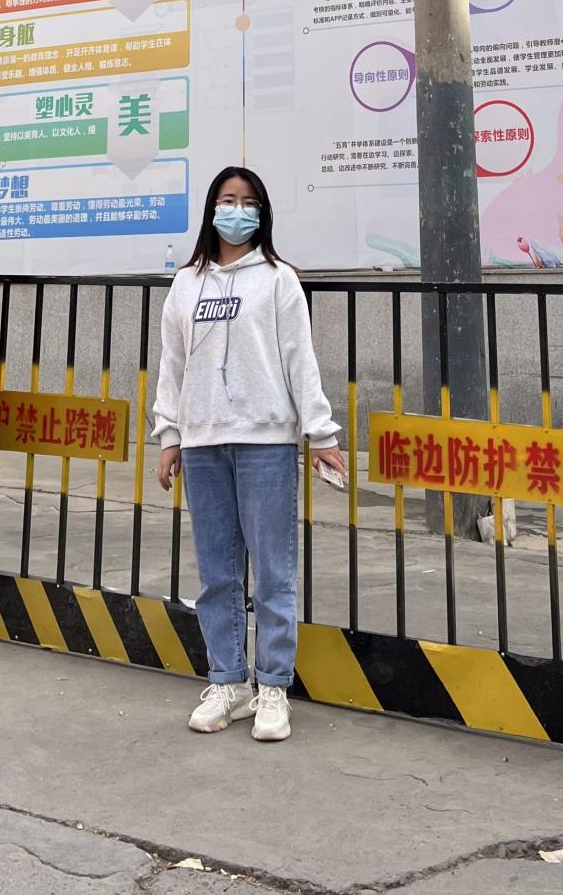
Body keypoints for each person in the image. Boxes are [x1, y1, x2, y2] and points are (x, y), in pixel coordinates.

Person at [154, 166, 345, 742]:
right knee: (217, 574)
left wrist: (321, 433)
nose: (236, 210)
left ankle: (273, 686)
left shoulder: (278, 279)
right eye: (227, 199)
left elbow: (299, 357)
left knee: (273, 573)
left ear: (261, 213)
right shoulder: (185, 284)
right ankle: (228, 680)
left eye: (248, 201)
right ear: (211, 209)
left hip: (266, 442)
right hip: (203, 442)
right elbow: (172, 364)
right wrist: (169, 435)